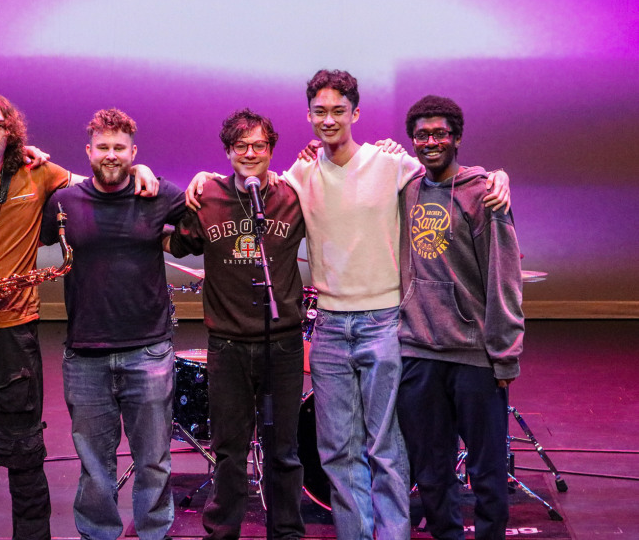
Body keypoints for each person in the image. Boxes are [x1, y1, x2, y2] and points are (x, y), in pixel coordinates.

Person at [185, 69, 511, 540]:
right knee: (338, 450)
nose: (329, 119)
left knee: (385, 447)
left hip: (384, 322)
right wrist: (201, 177)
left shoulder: (392, 164)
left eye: (339, 110)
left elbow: (449, 173)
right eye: (320, 111)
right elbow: (242, 181)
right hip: (331, 329)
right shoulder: (298, 175)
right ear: (310, 116)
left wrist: (495, 176)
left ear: (355, 113)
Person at [0, 94, 158, 540]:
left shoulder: (40, 172)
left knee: (24, 450)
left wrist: (139, 170)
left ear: (11, 131)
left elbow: (100, 183)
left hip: (15, 332)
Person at [39, 108, 186, 540]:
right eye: (103, 147)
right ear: (88, 151)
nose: (111, 155)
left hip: (149, 351)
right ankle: (98, 535)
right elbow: (32, 226)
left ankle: (154, 534)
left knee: (155, 460)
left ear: (133, 152)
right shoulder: (64, 203)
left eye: (120, 148)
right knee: (94, 464)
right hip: (85, 354)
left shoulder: (156, 194)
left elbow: (203, 204)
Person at [168, 109, 307, 540]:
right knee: (229, 451)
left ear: (271, 150)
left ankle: (286, 532)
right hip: (227, 344)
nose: (251, 153)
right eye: (241, 146)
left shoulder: (293, 195)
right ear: (228, 151)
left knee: (284, 450)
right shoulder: (206, 195)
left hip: (281, 343)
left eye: (259, 145)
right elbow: (176, 240)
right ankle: (223, 532)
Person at [396, 95, 523, 540]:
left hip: (474, 356)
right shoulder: (406, 189)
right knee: (431, 471)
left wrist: (504, 355)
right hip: (419, 351)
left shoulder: (483, 194)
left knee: (487, 472)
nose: (431, 142)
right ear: (412, 140)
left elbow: (504, 276)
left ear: (457, 138)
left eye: (440, 134)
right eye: (422, 135)